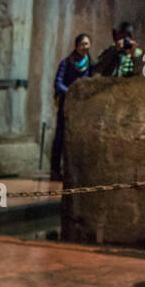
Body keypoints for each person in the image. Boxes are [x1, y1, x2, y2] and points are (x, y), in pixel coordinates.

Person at [50, 34, 92, 180]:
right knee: (61, 136)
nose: (85, 47)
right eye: (83, 44)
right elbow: (58, 82)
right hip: (67, 104)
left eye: (87, 44)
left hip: (82, 106)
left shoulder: (89, 63)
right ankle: (55, 170)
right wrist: (71, 92)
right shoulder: (66, 63)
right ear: (76, 46)